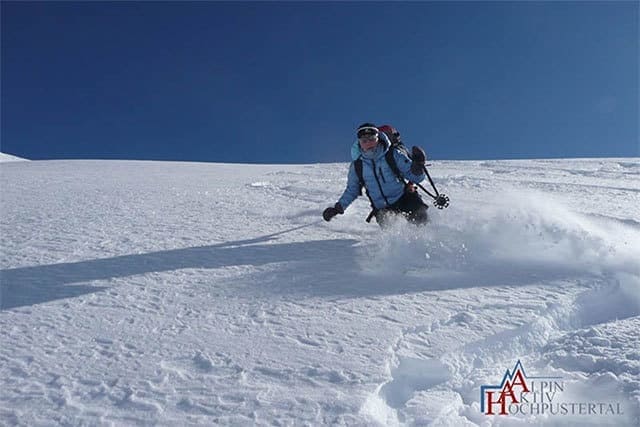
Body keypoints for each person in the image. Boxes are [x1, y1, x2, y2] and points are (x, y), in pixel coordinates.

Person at [323, 123, 429, 227]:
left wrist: (418, 168)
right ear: (359, 142)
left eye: (372, 139)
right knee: (395, 239)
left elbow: (416, 178)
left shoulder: (393, 154)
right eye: (364, 141)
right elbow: (352, 190)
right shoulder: (357, 166)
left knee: (424, 226)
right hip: (382, 209)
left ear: (378, 138)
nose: (368, 143)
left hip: (405, 199)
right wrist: (338, 208)